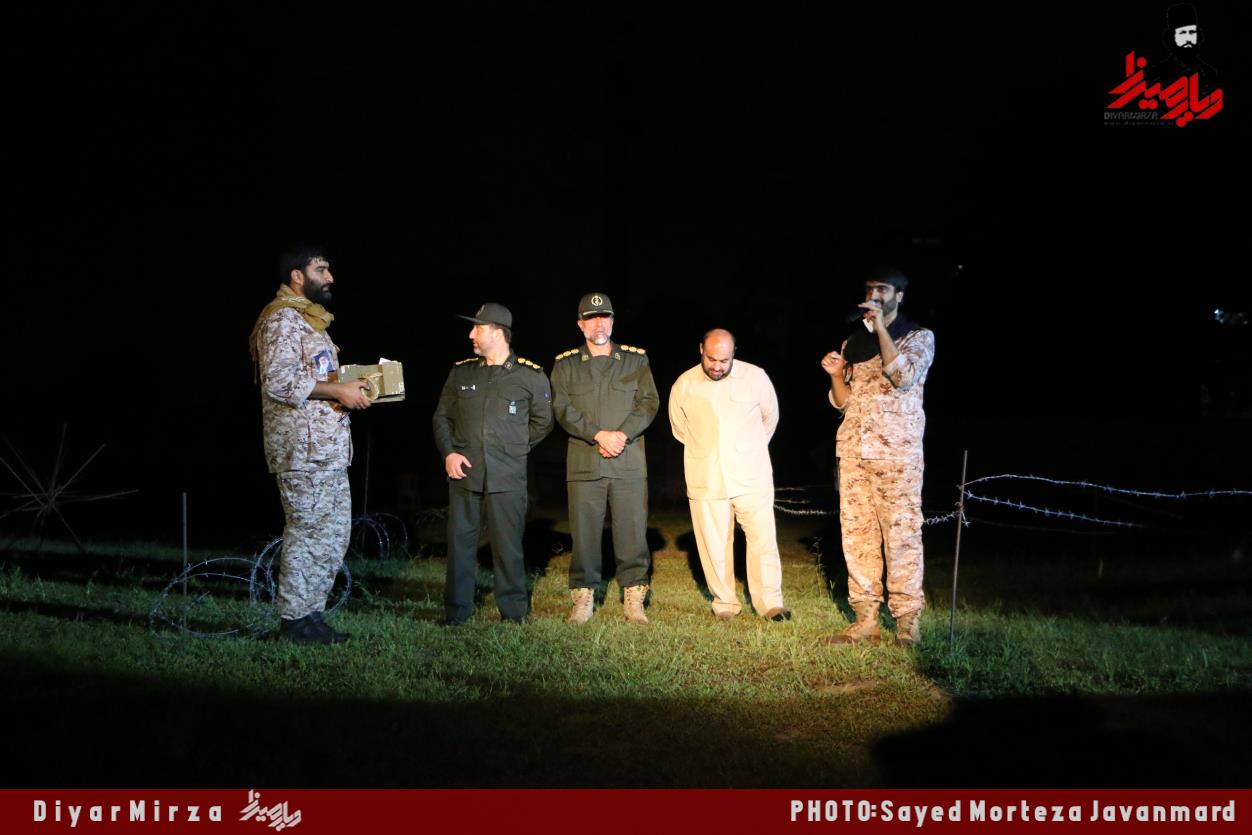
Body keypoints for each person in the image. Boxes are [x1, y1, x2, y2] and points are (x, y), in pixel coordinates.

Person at [249, 245, 371, 645]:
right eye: (321, 269)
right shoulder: (282, 320)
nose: (330, 277)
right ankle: (294, 621)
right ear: (297, 276)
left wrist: (351, 386)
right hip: (302, 451)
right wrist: (338, 390)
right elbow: (280, 382)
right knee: (307, 534)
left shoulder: (311, 321)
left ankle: (311, 615)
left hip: (327, 450)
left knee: (332, 535)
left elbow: (316, 376)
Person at [821, 267, 934, 646]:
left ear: (899, 295)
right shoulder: (854, 342)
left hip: (897, 459)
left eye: (883, 289)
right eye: (870, 288)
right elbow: (843, 403)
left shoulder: (918, 337)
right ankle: (865, 619)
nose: (875, 295)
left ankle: (906, 622)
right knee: (858, 538)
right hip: (854, 455)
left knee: (902, 539)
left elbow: (903, 376)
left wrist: (882, 329)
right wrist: (836, 374)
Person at [433, 303, 553, 625]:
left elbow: (543, 422)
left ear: (499, 333)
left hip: (507, 474)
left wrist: (513, 448)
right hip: (465, 470)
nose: (470, 334)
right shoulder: (462, 372)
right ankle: (456, 613)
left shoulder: (530, 375)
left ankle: (513, 613)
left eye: (478, 328)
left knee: (508, 545)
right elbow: (442, 417)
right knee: (460, 544)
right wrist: (449, 453)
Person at [550, 293, 660, 624]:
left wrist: (621, 434)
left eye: (605, 317)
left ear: (612, 321)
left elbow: (649, 402)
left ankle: (634, 597)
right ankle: (583, 597)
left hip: (628, 461)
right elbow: (561, 408)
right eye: (591, 318)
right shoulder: (566, 364)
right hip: (585, 462)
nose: (599, 323)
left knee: (632, 532)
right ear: (580, 324)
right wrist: (598, 435)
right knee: (584, 535)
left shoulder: (636, 360)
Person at [669, 329, 790, 622]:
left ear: (734, 353)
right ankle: (724, 603)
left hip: (752, 476)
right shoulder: (684, 384)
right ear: (701, 349)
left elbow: (769, 420)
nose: (717, 366)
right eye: (711, 359)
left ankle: (770, 603)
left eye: (724, 360)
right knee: (713, 543)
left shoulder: (756, 378)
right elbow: (680, 429)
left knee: (762, 539)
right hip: (706, 476)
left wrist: (745, 451)